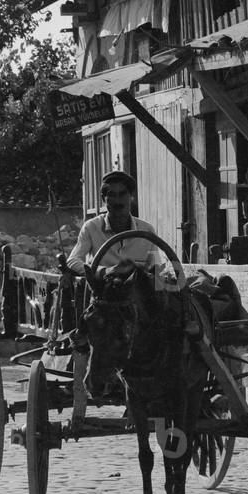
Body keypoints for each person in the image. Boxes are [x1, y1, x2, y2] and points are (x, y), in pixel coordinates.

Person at [65, 171, 160, 424]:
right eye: (111, 196)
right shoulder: (92, 228)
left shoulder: (146, 230)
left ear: (131, 198)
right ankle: (89, 352)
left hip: (134, 301)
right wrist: (102, 271)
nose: (117, 201)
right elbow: (74, 260)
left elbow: (156, 268)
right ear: (105, 200)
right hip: (104, 297)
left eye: (122, 195)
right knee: (98, 318)